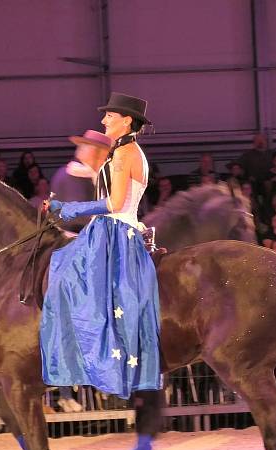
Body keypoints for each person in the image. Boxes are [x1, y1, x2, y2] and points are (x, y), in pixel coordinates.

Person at [43, 92, 160, 399]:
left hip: (115, 231)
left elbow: (116, 202)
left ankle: (89, 364)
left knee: (66, 280)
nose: (103, 120)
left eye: (110, 116)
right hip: (112, 227)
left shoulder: (125, 154)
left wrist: (68, 210)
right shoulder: (121, 151)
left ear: (127, 120)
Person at [49, 129, 112, 233]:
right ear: (95, 153)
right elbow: (77, 216)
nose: (107, 159)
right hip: (74, 238)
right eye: (106, 154)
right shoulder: (73, 174)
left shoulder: (88, 175)